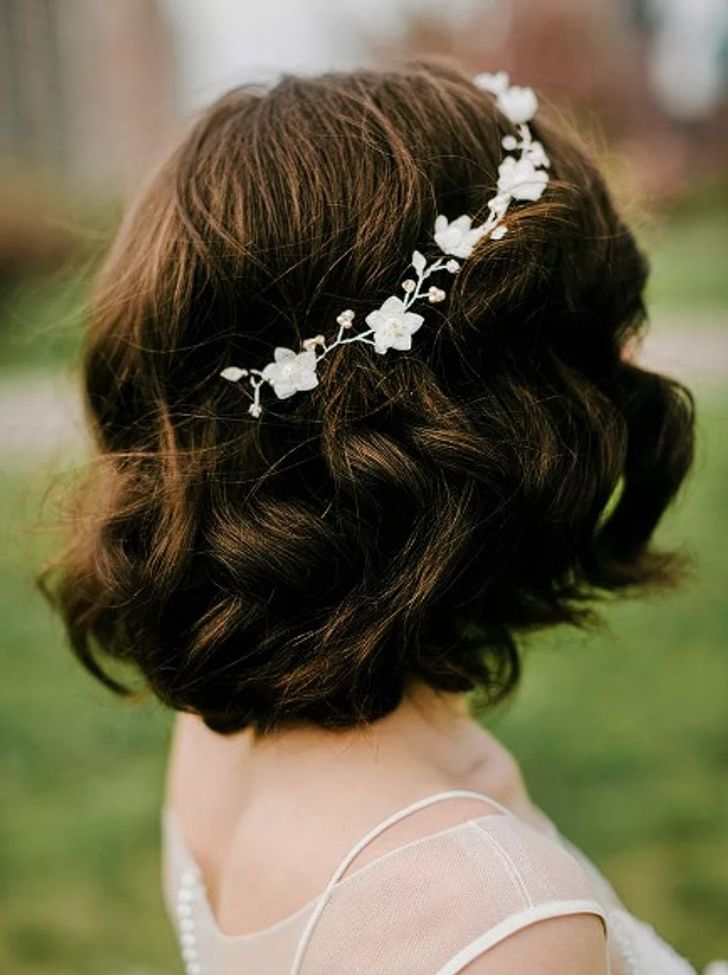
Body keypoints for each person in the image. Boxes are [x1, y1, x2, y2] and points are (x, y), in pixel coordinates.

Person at [41, 60, 722, 974]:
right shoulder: (492, 918)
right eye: (592, 332)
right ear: (493, 418)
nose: (631, 354)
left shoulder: (220, 738)